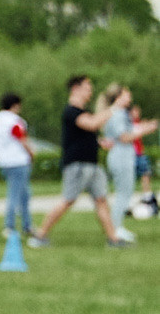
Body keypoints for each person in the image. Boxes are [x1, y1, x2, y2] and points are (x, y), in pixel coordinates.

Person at [35, 75, 129, 248]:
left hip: (92, 164)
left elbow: (83, 135)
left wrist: (99, 142)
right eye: (87, 88)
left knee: (101, 200)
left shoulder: (83, 112)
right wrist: (115, 107)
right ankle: (40, 235)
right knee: (68, 200)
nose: (90, 91)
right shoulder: (71, 111)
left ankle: (113, 239)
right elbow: (91, 124)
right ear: (75, 89)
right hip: (77, 165)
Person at [98, 84, 154, 232]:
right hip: (121, 156)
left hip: (122, 156)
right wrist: (144, 131)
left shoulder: (118, 113)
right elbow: (123, 137)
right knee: (123, 194)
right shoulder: (118, 114)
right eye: (127, 94)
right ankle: (115, 229)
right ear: (118, 97)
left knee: (125, 193)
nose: (130, 97)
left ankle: (116, 228)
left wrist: (142, 128)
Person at [0, 91, 41, 242]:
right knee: (15, 195)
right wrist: (31, 153)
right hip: (18, 161)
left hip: (3, 161)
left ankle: (27, 225)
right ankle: (9, 226)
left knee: (24, 194)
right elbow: (21, 138)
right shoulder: (14, 120)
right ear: (16, 105)